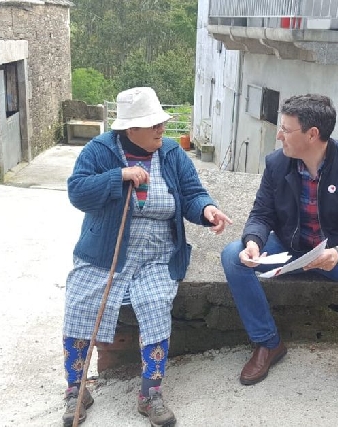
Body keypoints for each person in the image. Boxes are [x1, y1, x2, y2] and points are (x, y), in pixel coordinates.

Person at [62, 86, 232, 427]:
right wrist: (118, 176)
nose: (161, 129)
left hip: (158, 254)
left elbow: (192, 192)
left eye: (160, 122)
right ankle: (75, 389)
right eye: (152, 124)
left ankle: (150, 393)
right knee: (80, 302)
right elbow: (77, 191)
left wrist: (208, 210)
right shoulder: (100, 150)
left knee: (155, 303)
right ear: (130, 129)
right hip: (105, 253)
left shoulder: (170, 153)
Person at [220, 94, 338, 405]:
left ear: (312, 134)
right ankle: (268, 343)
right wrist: (254, 242)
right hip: (292, 250)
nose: (279, 134)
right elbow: (262, 214)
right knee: (234, 256)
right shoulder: (277, 163)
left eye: (286, 128)